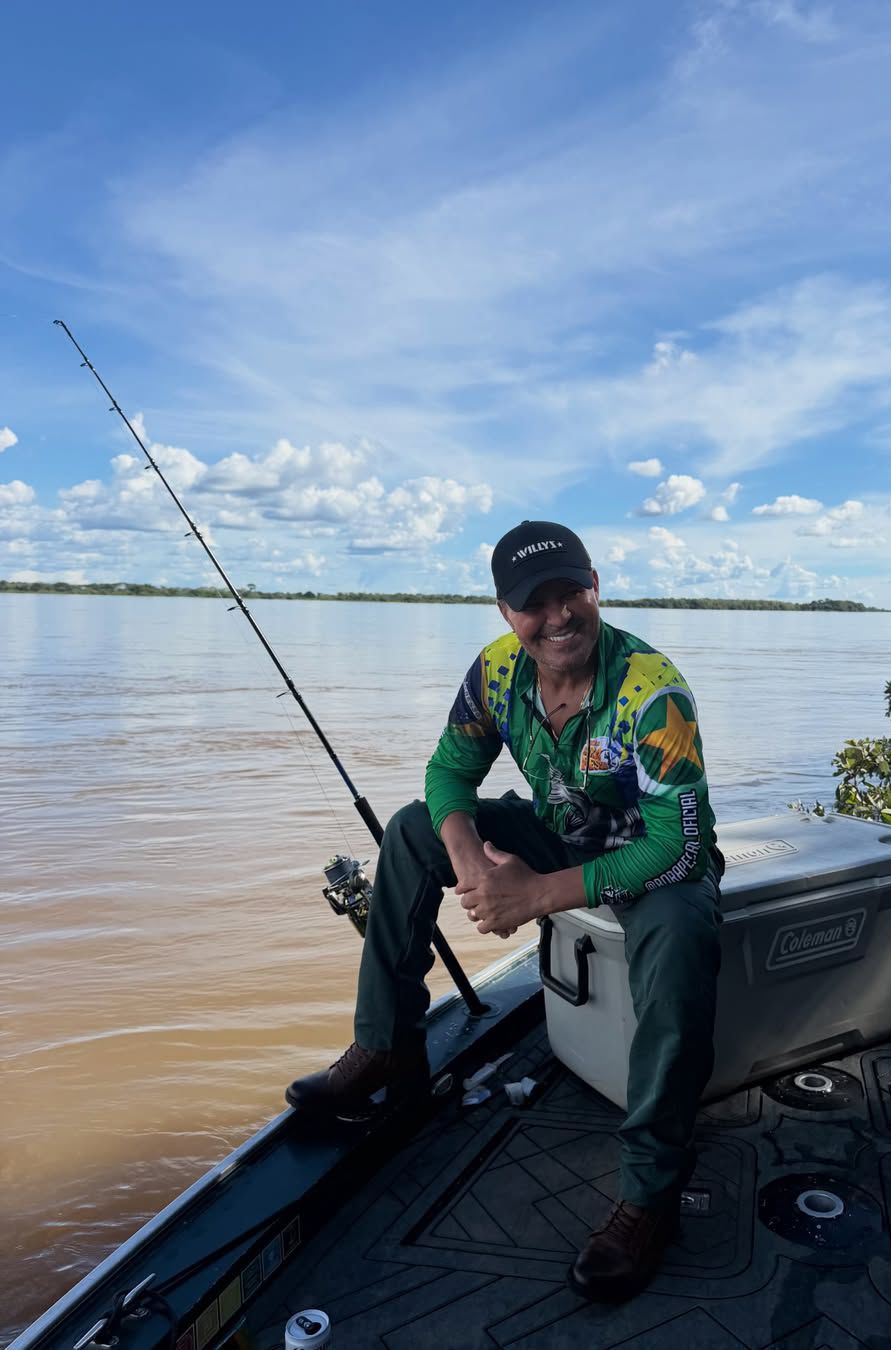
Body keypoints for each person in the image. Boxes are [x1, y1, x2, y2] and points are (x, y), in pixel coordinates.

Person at [287, 519, 723, 1302]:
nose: (559, 617)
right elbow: (446, 772)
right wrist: (469, 859)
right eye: (536, 603)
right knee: (415, 828)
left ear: (597, 588)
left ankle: (650, 1191)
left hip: (654, 863)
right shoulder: (495, 672)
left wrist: (535, 896)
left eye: (572, 594)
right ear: (504, 612)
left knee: (683, 935)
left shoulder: (654, 694)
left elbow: (678, 847)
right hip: (558, 834)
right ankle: (387, 1047)